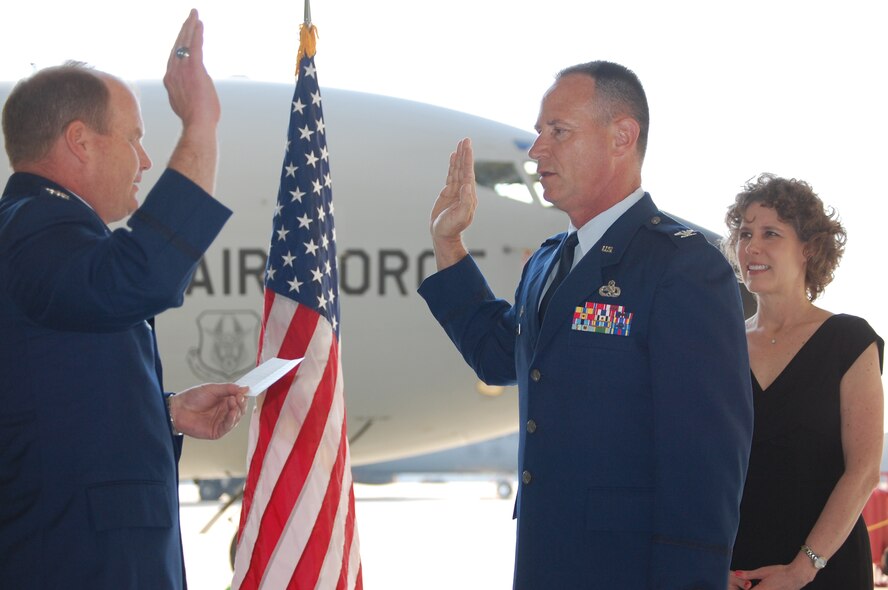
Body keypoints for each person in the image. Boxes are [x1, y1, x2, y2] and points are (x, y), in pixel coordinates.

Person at [418, 61, 754, 588]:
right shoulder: (550, 261)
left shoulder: (685, 266)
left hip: (629, 570)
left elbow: (706, 464)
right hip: (544, 562)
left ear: (622, 137)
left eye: (558, 131)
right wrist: (448, 244)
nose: (536, 151)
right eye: (538, 132)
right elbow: (497, 356)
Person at [0, 10, 247, 589]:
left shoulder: (46, 234)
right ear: (80, 142)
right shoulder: (36, 227)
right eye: (134, 138)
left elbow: (46, 398)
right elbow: (144, 277)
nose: (143, 160)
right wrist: (200, 126)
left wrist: (162, 414)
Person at [725, 175, 884, 590]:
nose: (751, 247)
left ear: (809, 249)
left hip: (826, 568)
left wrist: (802, 569)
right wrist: (708, 563)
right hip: (735, 573)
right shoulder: (719, 348)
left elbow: (864, 471)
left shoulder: (849, 340)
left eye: (770, 233)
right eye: (744, 233)